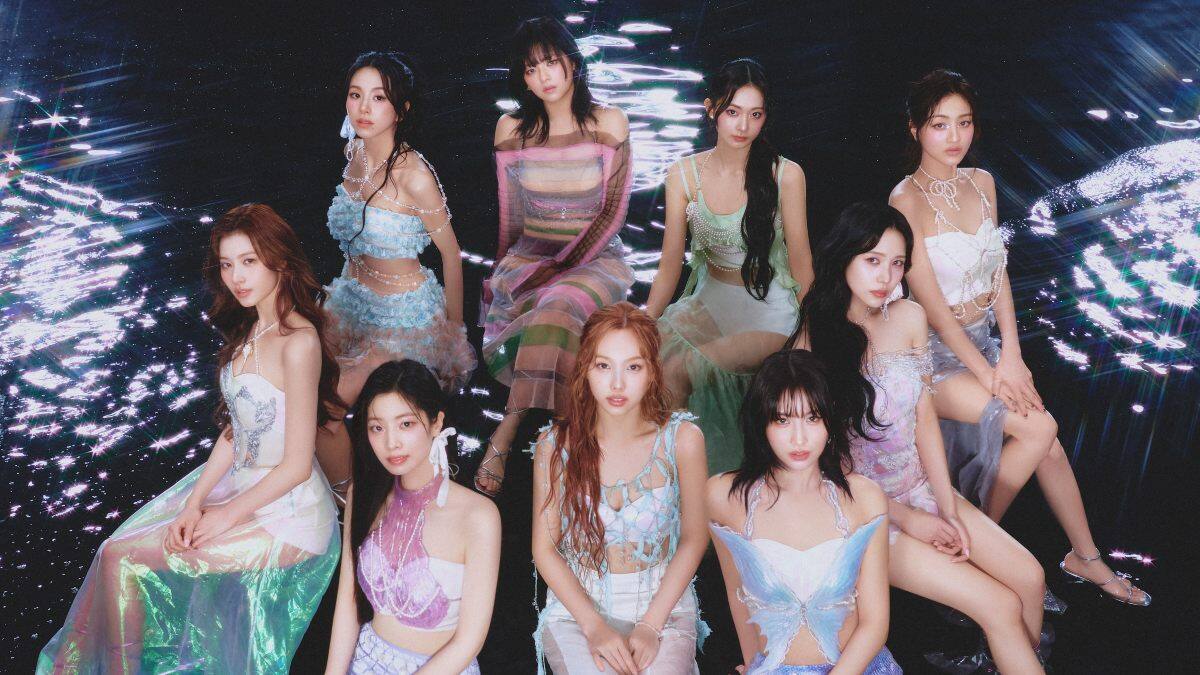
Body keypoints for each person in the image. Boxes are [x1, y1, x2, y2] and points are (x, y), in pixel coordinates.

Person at [38, 204, 342, 674]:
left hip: (290, 513)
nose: (236, 277)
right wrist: (194, 502)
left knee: (128, 562)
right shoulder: (252, 329)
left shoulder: (298, 342)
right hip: (243, 486)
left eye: (249, 261)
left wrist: (225, 515)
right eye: (227, 264)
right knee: (114, 552)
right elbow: (235, 432)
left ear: (279, 261)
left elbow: (298, 465)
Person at [888, 69, 1148, 606]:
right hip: (931, 358)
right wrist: (989, 374)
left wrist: (1011, 354)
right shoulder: (905, 200)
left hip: (986, 344)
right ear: (915, 129)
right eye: (939, 124)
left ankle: (1084, 558)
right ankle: (975, 551)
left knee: (1048, 446)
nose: (954, 137)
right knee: (1039, 428)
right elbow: (933, 310)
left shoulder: (981, 183)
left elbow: (997, 272)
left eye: (964, 123)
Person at [793, 202, 1048, 673]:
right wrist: (913, 521)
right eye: (872, 260)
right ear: (845, 257)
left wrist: (947, 507)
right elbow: (823, 471)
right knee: (1000, 605)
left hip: (919, 487)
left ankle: (1006, 660)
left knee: (1030, 579)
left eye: (897, 264)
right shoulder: (812, 345)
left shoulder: (909, 316)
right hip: (861, 511)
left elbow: (924, 418)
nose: (885, 277)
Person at [475, 16, 634, 497]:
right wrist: (500, 275)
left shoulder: (608, 123)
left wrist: (558, 269)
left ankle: (508, 430)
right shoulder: (511, 130)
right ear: (521, 78)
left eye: (550, 61)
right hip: (532, 257)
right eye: (530, 68)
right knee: (549, 307)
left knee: (559, 303)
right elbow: (511, 218)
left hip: (595, 260)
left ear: (572, 61)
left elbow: (612, 214)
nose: (543, 75)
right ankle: (575, 442)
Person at [646, 58, 813, 475]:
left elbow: (802, 265)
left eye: (755, 115)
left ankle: (703, 482)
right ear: (711, 110)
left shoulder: (785, 175)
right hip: (710, 300)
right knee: (654, 367)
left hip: (768, 308)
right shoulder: (684, 174)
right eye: (733, 112)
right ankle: (675, 483)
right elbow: (669, 266)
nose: (743, 126)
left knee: (686, 369)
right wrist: (644, 323)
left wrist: (808, 334)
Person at [320, 51, 476, 495]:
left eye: (379, 98)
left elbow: (451, 256)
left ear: (401, 109)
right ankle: (337, 493)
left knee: (327, 411)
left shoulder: (415, 176)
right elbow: (354, 243)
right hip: (352, 301)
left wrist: (452, 337)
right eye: (356, 95)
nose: (364, 108)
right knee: (299, 382)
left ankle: (350, 502)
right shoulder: (353, 153)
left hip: (402, 318)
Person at [531, 302, 709, 674]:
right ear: (585, 368)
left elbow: (694, 538)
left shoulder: (682, 440)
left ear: (652, 371)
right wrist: (594, 627)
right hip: (577, 611)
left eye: (633, 367)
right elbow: (544, 549)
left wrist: (650, 626)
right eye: (603, 366)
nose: (617, 384)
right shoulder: (555, 446)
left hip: (664, 608)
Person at [707, 349, 899, 674]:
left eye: (812, 418)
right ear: (762, 422)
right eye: (782, 420)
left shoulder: (865, 499)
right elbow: (737, 595)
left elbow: (875, 623)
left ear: (830, 422)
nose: (799, 438)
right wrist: (754, 665)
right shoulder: (724, 497)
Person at [325, 360, 500, 674]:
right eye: (377, 427)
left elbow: (470, 640)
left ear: (436, 423)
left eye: (405, 424)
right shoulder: (363, 495)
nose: (391, 442)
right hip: (366, 662)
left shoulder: (478, 516)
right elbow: (348, 604)